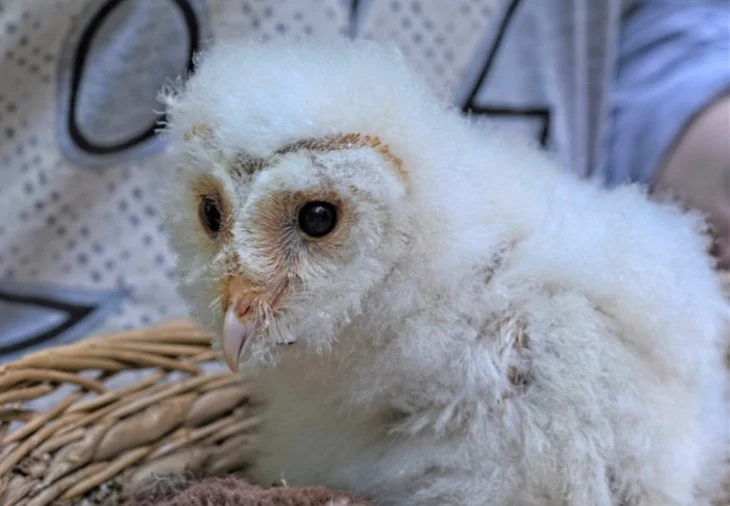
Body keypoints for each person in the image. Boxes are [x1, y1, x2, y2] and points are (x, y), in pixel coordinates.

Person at [0, 0, 727, 361]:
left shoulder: (520, 326)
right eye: (217, 219)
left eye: (314, 218)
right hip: (38, 393)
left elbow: (648, 33)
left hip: (507, 304)